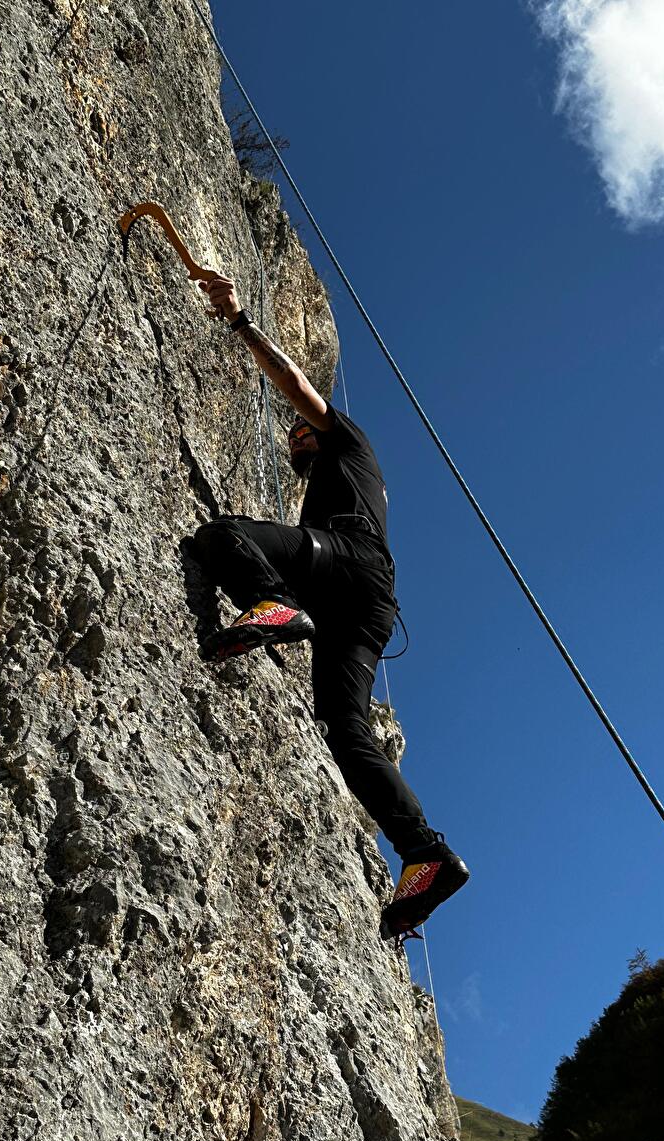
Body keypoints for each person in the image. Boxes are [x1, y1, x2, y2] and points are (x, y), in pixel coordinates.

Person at [191, 273, 468, 942]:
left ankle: (272, 603)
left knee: (221, 534)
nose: (294, 440)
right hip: (368, 605)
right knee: (345, 731)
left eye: (298, 436)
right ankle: (425, 854)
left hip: (347, 564)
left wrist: (239, 320)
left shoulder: (350, 441)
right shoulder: (350, 485)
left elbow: (293, 385)